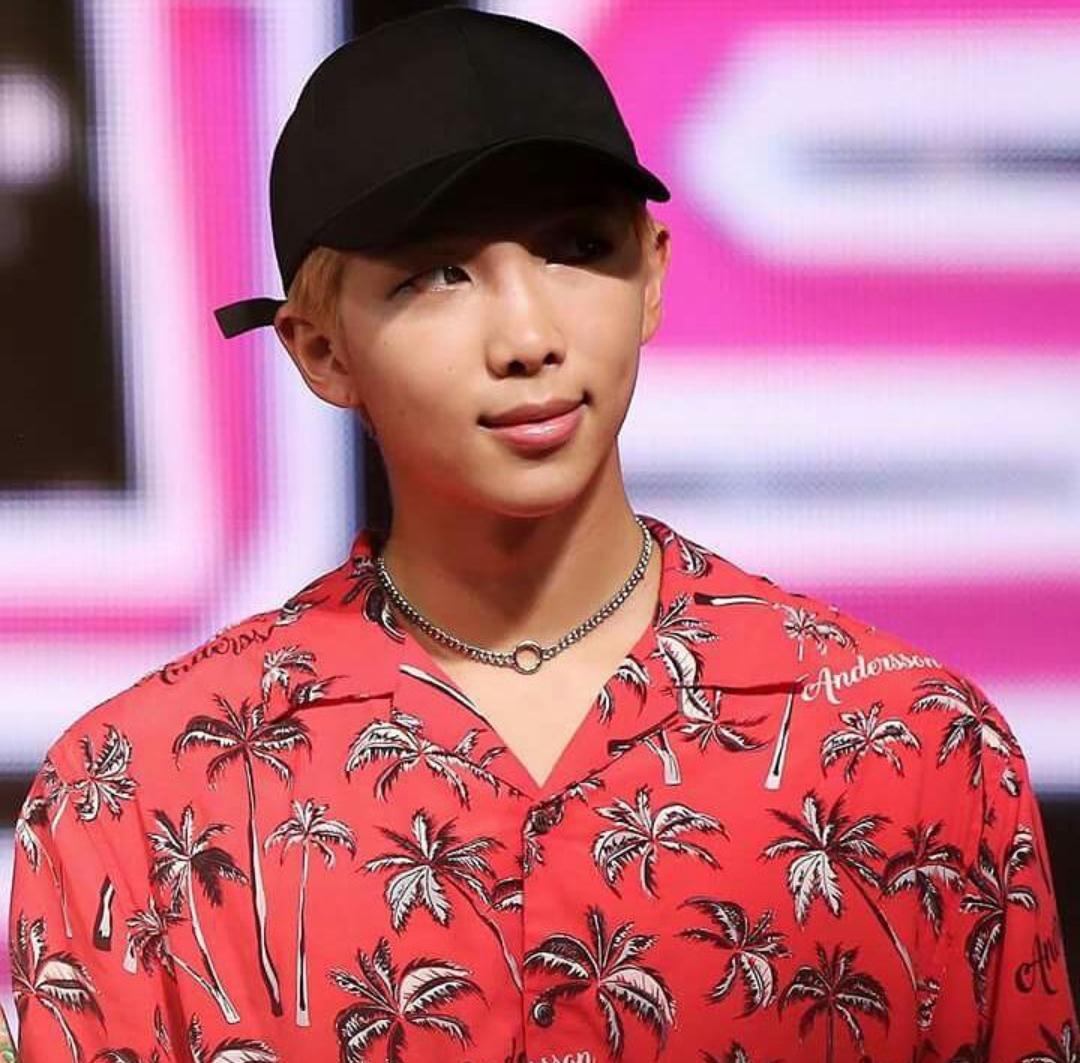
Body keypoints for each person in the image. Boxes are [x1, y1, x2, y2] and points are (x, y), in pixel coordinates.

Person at [8, 7, 1076, 1062]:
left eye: (578, 247)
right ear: (321, 351)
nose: (527, 337)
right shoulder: (137, 799)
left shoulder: (913, 750)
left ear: (652, 274)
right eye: (436, 272)